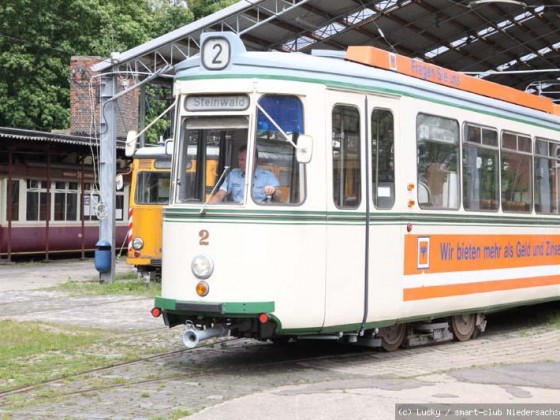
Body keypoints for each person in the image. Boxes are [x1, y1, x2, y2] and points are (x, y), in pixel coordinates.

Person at [210, 145, 280, 203]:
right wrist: (210, 208)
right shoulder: (233, 175)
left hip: (259, 213)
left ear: (253, 160)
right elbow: (220, 194)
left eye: (243, 160)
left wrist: (273, 191)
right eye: (239, 160)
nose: (240, 163)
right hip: (237, 212)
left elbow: (279, 195)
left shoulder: (267, 176)